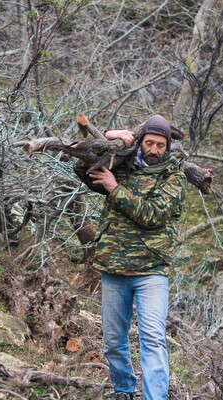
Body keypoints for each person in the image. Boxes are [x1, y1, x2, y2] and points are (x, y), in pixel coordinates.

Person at [74, 115, 187, 400]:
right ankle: (123, 390)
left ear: (167, 147)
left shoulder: (174, 177)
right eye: (149, 143)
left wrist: (114, 188)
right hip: (114, 269)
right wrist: (112, 139)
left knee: (152, 339)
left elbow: (152, 215)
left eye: (160, 145)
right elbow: (81, 167)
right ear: (140, 143)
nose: (154, 149)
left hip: (151, 271)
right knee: (113, 341)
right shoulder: (122, 167)